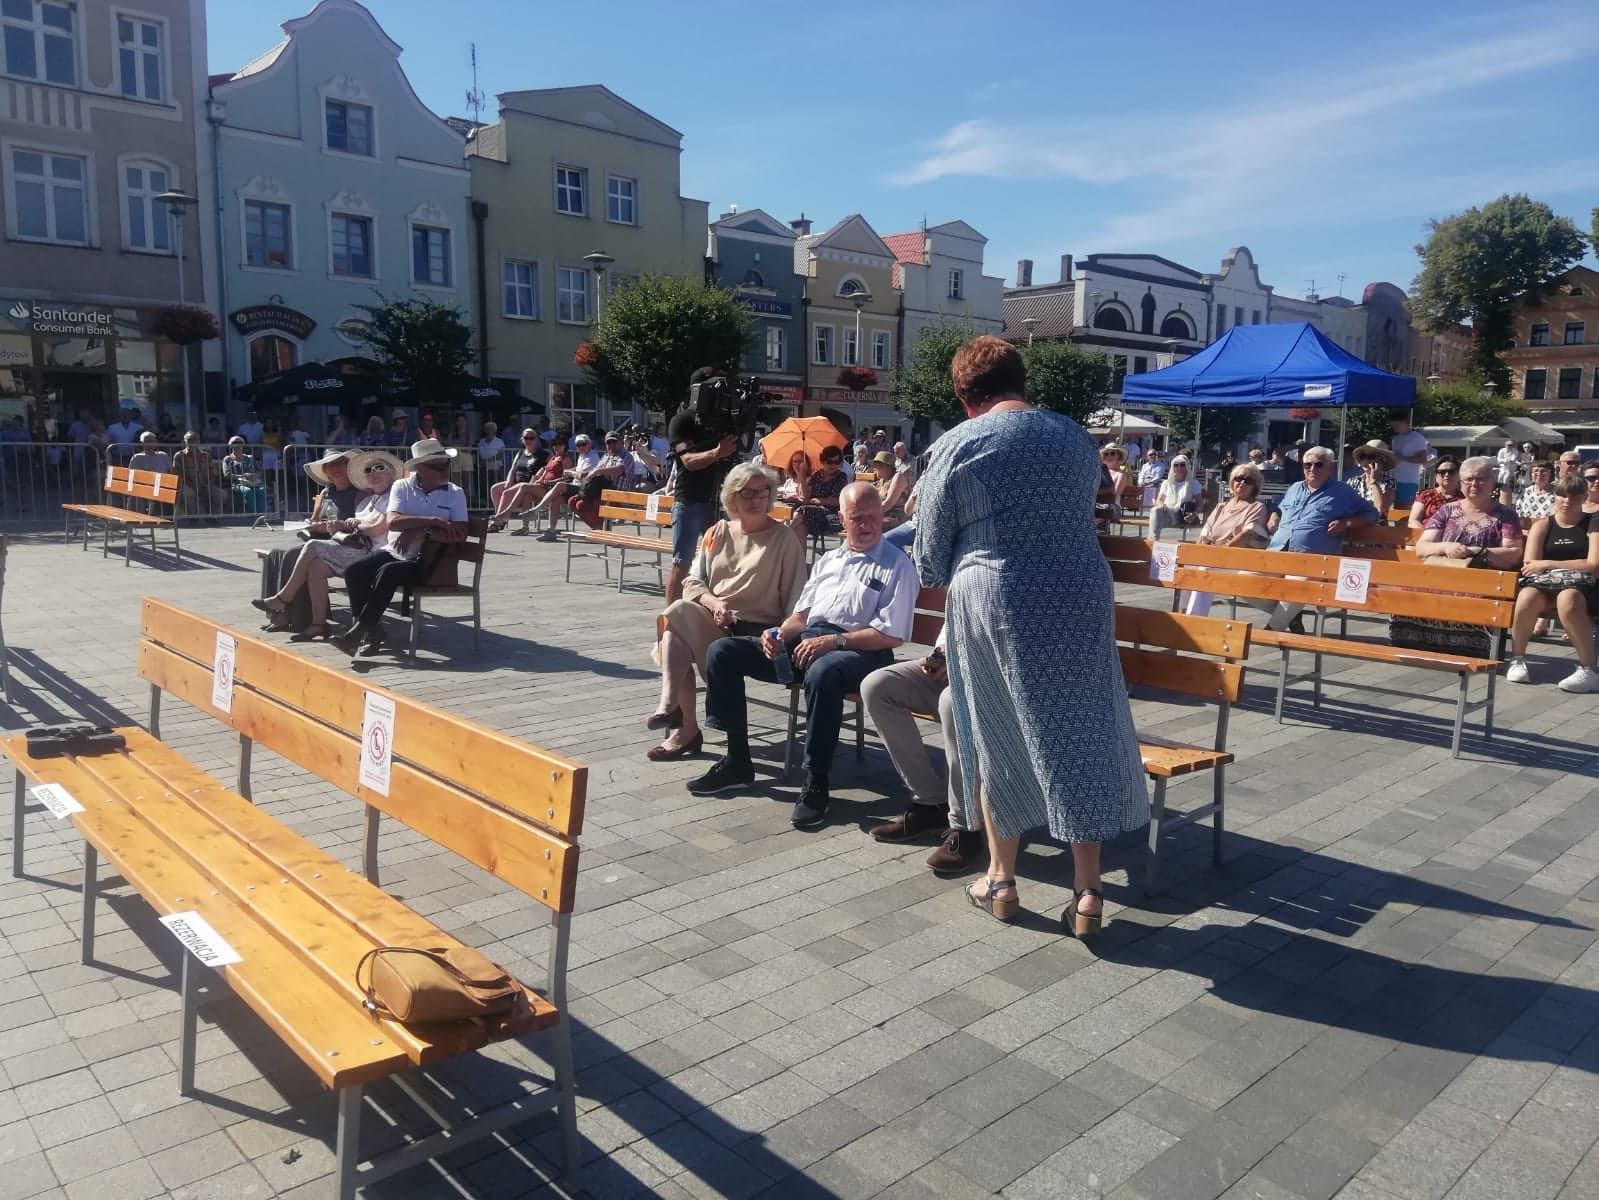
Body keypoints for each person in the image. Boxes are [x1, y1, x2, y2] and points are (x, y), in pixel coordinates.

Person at [913, 336, 1145, 934]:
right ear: (1022, 382)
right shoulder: (1074, 438)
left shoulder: (960, 442)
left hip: (997, 594)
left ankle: (1001, 879)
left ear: (965, 394)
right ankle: (1088, 891)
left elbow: (930, 557)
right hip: (1080, 591)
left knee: (997, 731)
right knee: (1081, 729)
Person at [688, 484, 918, 830]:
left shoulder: (896, 564)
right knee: (723, 651)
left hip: (863, 651)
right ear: (842, 520)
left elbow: (891, 635)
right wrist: (778, 634)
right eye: (857, 518)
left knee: (823, 672)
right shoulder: (829, 560)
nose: (867, 525)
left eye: (873, 517)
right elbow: (801, 616)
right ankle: (737, 761)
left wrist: (834, 641)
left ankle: (816, 781)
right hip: (812, 643)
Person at [647, 463, 809, 761]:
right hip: (716, 621)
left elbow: (796, 598)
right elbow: (692, 581)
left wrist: (782, 635)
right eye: (747, 492)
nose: (756, 499)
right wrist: (714, 603)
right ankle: (672, 710)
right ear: (732, 496)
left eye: (762, 492)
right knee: (676, 617)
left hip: (757, 633)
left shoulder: (783, 538)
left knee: (674, 633)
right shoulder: (718, 531)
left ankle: (680, 724)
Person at [860, 628, 985, 876]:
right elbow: (952, 624)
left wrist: (963, 661)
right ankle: (931, 804)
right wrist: (941, 654)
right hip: (954, 666)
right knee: (877, 686)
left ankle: (966, 828)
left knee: (953, 702)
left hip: (993, 676)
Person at [333, 439, 468, 656]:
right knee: (354, 572)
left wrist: (420, 531)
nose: (444, 470)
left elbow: (460, 533)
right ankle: (371, 632)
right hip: (395, 552)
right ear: (421, 468)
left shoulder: (455, 492)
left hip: (431, 561)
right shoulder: (401, 486)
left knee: (388, 572)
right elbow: (393, 522)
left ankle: (360, 632)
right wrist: (432, 521)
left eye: (446, 464)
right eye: (437, 465)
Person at [254, 451, 402, 639]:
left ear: (391, 472)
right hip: (355, 546)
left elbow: (375, 529)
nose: (373, 473)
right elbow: (343, 523)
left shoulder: (385, 497)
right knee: (312, 566)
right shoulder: (365, 499)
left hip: (372, 554)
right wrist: (336, 525)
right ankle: (318, 624)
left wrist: (348, 526)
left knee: (309, 547)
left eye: (379, 468)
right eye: (368, 470)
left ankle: (284, 598)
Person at [1396, 456, 1525, 655]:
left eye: (1481, 479)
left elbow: (1514, 553)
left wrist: (1478, 551)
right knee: (1407, 591)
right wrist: (1446, 547)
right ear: (1461, 483)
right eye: (1468, 479)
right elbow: (1422, 548)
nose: (1474, 484)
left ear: (1492, 482)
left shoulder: (1505, 515)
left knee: (1470, 594)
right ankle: (1415, 646)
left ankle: (1473, 649)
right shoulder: (1447, 510)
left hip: (1484, 579)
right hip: (1446, 573)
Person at [1257, 445, 1379, 633]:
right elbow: (1277, 505)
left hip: (1314, 561)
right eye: (1307, 465)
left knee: (1296, 586)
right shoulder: (1295, 488)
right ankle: (1290, 616)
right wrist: (1274, 515)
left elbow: (1372, 514)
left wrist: (1346, 523)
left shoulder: (1342, 492)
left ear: (1330, 467)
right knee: (1244, 580)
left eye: (1319, 464)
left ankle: (1271, 631)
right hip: (1278, 554)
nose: (1312, 469)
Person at [1505, 475, 1599, 692]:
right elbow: (1529, 564)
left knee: (1568, 598)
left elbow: (1593, 565)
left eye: (1575, 496)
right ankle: (1518, 659)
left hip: (1584, 588)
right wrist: (1571, 564)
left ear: (1584, 497)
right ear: (1555, 496)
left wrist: (1548, 563)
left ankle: (1589, 668)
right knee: (1527, 596)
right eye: (1562, 495)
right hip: (1545, 586)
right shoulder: (1543, 525)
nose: (1567, 500)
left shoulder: (1593, 524)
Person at [665, 397, 739, 603]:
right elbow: (688, 461)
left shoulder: (723, 420)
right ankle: (671, 616)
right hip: (690, 501)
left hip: (719, 501)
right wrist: (717, 452)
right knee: (682, 562)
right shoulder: (682, 421)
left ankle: (714, 608)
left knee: (723, 560)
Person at [1182, 464, 1272, 617]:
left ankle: (1194, 619)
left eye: (1248, 480)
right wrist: (1196, 553)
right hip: (1213, 555)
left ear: (1255, 485)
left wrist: (1221, 552)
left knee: (1205, 571)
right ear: (1232, 481)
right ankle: (1182, 613)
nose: (1242, 482)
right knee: (1186, 567)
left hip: (1237, 559)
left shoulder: (1256, 507)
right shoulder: (1222, 506)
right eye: (1238, 478)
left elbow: (1247, 534)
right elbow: (1204, 533)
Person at [488, 429, 558, 533]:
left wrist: (540, 476)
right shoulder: (520, 453)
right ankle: (502, 519)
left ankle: (499, 519)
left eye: (531, 438)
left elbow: (552, 468)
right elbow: (513, 469)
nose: (528, 440)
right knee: (495, 488)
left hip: (533, 484)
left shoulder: (545, 454)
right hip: (517, 482)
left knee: (508, 493)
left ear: (536, 439)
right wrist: (508, 481)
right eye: (526, 438)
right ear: (522, 439)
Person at [790, 444, 849, 540]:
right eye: (830, 462)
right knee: (801, 528)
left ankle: (786, 533)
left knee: (802, 511)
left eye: (837, 462)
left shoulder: (841, 477)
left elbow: (837, 501)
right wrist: (801, 475)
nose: (833, 465)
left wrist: (817, 500)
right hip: (813, 515)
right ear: (823, 461)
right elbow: (806, 496)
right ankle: (796, 548)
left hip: (832, 517)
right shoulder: (816, 475)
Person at [172, 432, 223, 521]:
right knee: (188, 493)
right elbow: (177, 474)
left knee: (221, 494)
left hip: (204, 484)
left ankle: (212, 517)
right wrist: (191, 484)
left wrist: (208, 484)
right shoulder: (179, 456)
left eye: (195, 439)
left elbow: (212, 472)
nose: (193, 442)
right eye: (190, 440)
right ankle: (193, 517)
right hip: (187, 485)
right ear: (184, 441)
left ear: (199, 441)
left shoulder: (206, 455)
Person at [1150, 454, 1202, 539]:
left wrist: (1194, 514)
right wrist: (1161, 504)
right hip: (1167, 513)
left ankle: (1152, 541)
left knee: (1156, 516)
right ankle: (1153, 541)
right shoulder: (1167, 483)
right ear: (1173, 467)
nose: (1179, 467)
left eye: (1182, 465)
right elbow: (1159, 500)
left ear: (1187, 466)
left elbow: (1200, 504)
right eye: (1176, 465)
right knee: (1155, 511)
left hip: (1180, 515)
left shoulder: (1193, 483)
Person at [1388, 409, 1429, 508]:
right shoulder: (1396, 439)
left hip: (1408, 480)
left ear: (1404, 423)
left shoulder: (1417, 438)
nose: (1394, 428)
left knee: (1405, 510)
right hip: (1394, 479)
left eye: (1396, 425)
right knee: (1394, 509)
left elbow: (1423, 459)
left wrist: (1402, 458)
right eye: (1393, 426)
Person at [1409, 456, 1463, 528]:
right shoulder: (1425, 495)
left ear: (1459, 475)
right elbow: (1413, 520)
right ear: (1436, 477)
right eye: (1442, 472)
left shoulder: (1466, 498)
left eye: (1452, 472)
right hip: (1426, 533)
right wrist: (1427, 534)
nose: (1446, 475)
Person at [1350, 440, 1397, 516]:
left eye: (1370, 457)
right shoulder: (1353, 481)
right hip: (1355, 520)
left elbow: (1380, 508)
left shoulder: (1389, 482)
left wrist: (1373, 482)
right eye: (1362, 456)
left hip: (1377, 522)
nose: (1365, 460)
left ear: (1382, 460)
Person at [222, 436, 267, 512]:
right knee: (248, 491)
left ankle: (262, 514)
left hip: (252, 482)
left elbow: (260, 471)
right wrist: (243, 476)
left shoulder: (250, 458)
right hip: (237, 484)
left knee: (261, 490)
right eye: (235, 442)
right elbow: (227, 474)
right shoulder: (227, 459)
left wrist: (254, 475)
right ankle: (253, 514)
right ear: (230, 445)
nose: (238, 444)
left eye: (240, 442)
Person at [872, 450, 912, 529]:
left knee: (868, 524)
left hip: (896, 518)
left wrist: (868, 514)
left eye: (877, 465)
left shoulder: (898, 477)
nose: (874, 468)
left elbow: (888, 503)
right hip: (883, 515)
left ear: (887, 467)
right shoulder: (881, 481)